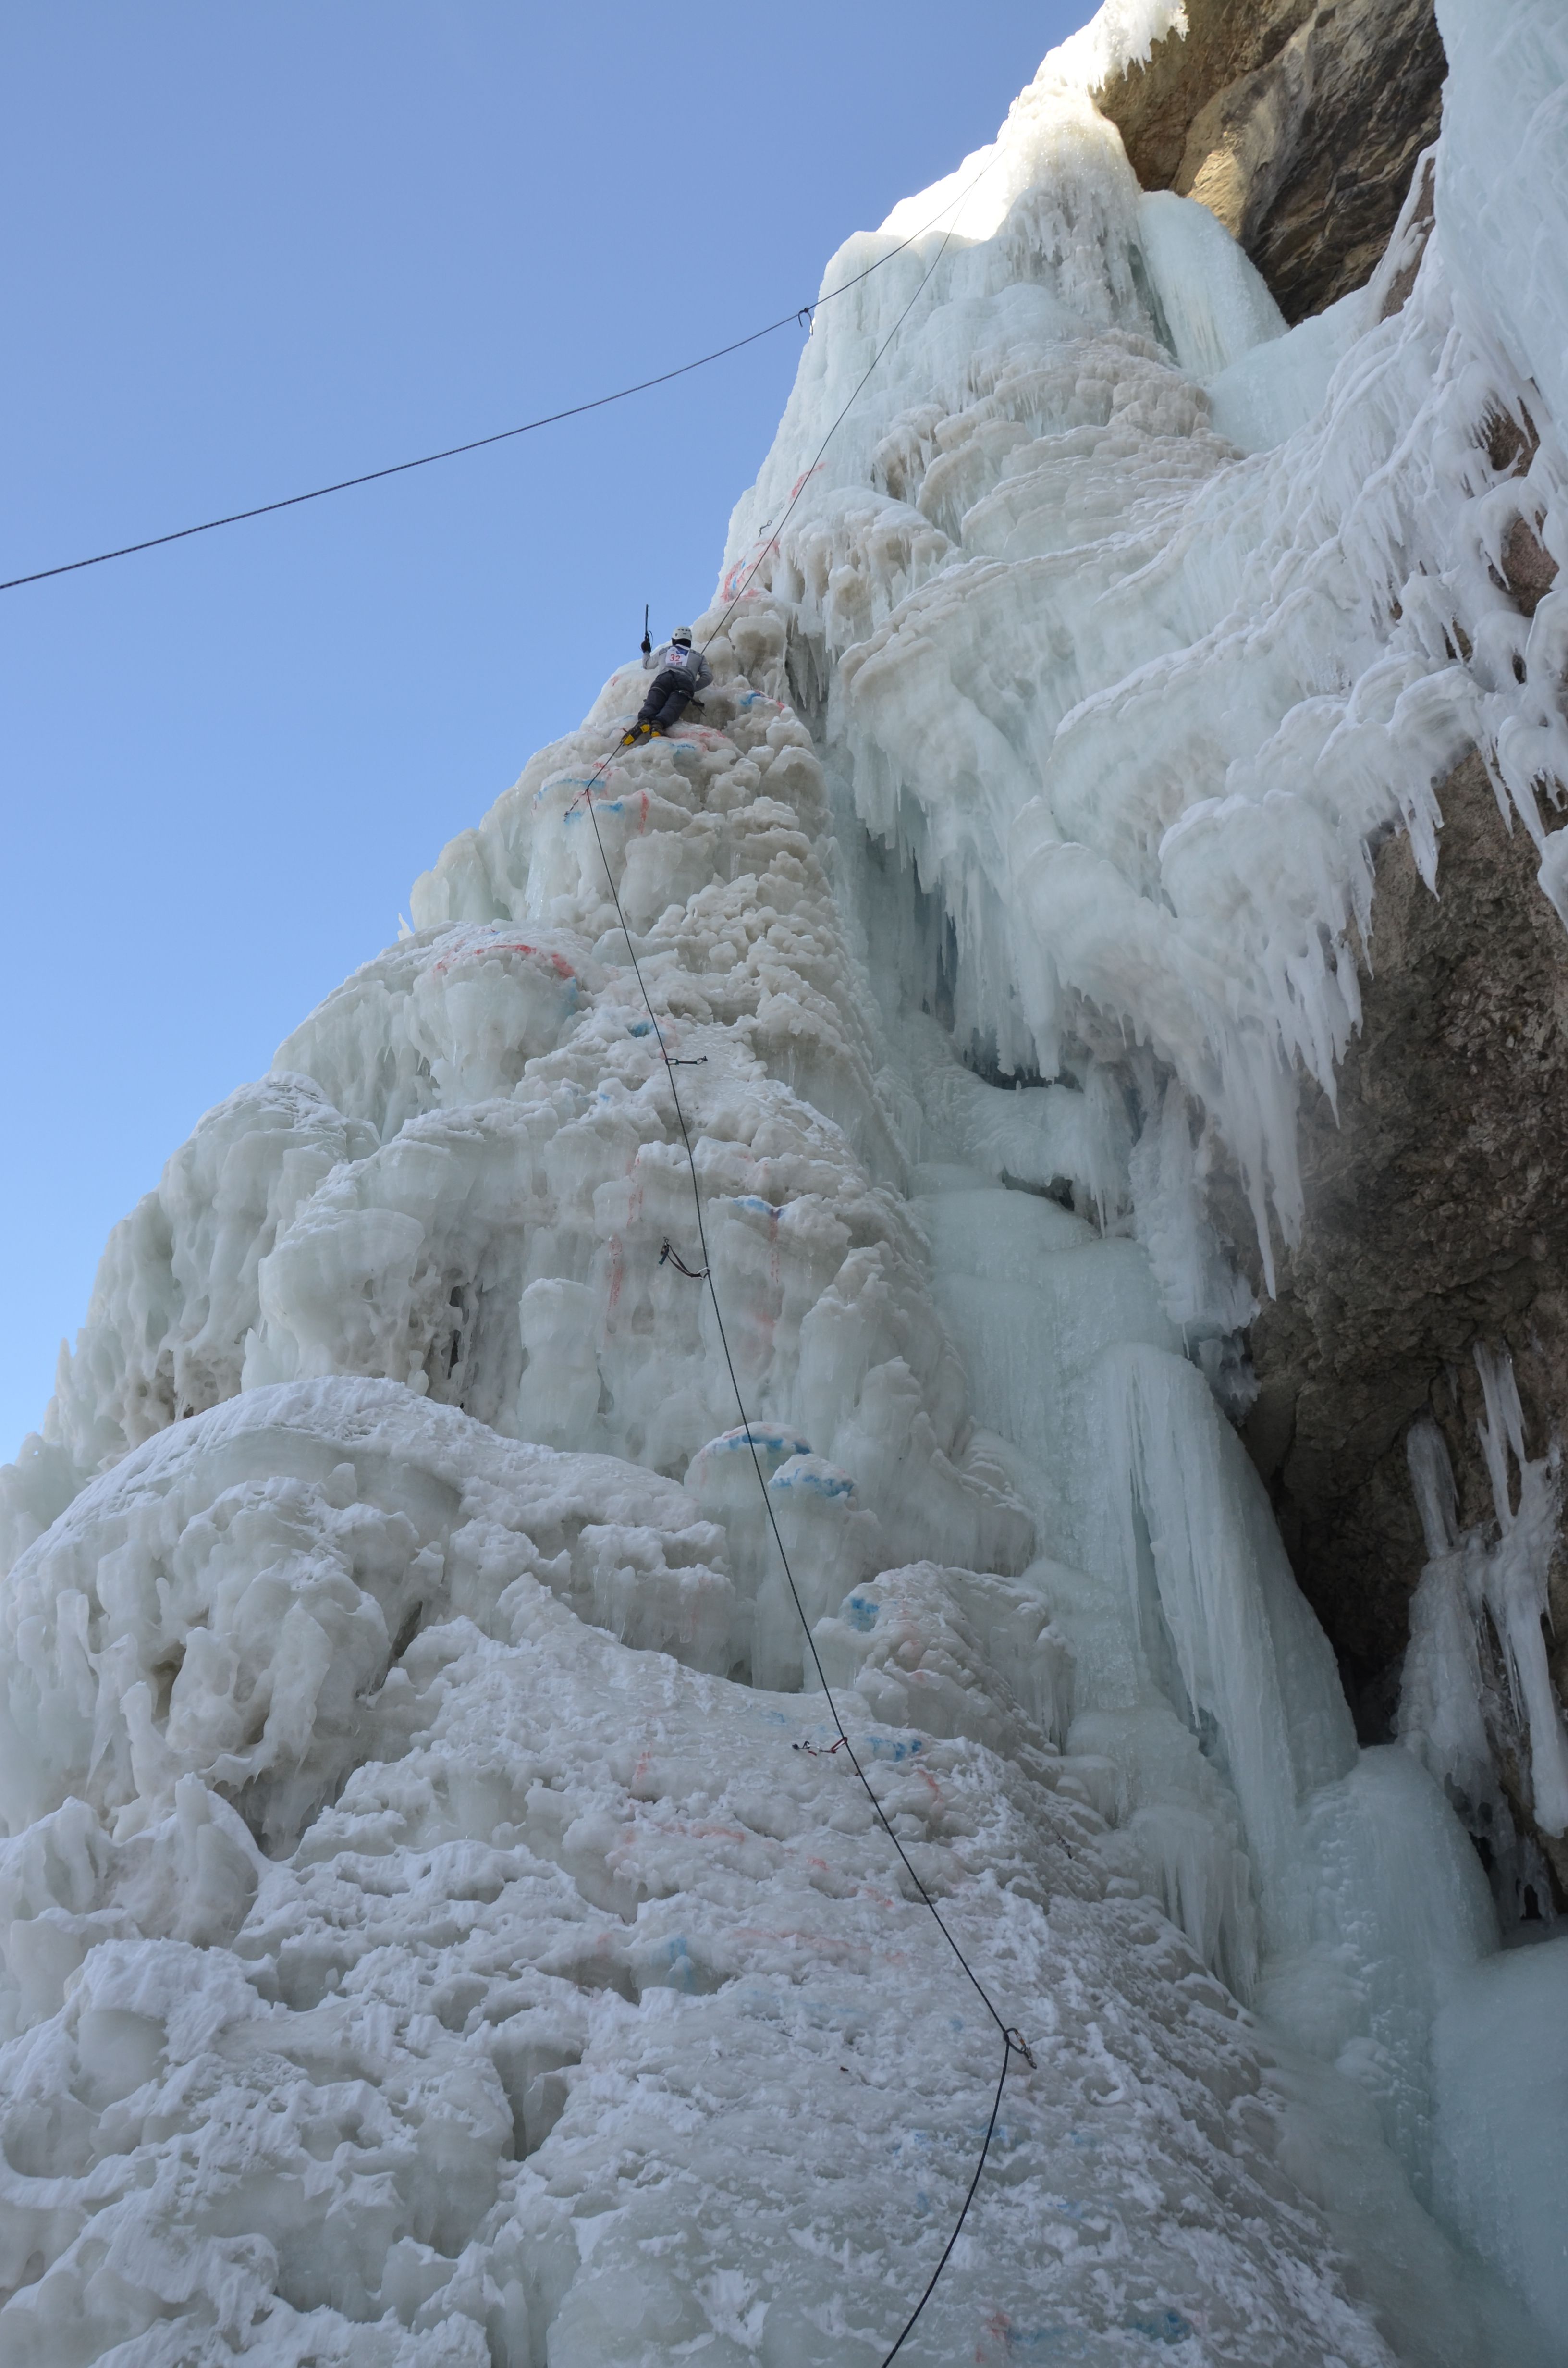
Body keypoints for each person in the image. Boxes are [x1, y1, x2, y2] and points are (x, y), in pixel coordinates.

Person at [625, 627, 713, 742]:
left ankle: (644, 721)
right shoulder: (699, 657)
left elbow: (647, 665)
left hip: (664, 679)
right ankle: (658, 725)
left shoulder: (664, 651)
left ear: (674, 640)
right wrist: (693, 687)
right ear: (689, 642)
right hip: (685, 682)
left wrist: (646, 651)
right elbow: (708, 677)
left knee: (654, 701)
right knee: (672, 707)